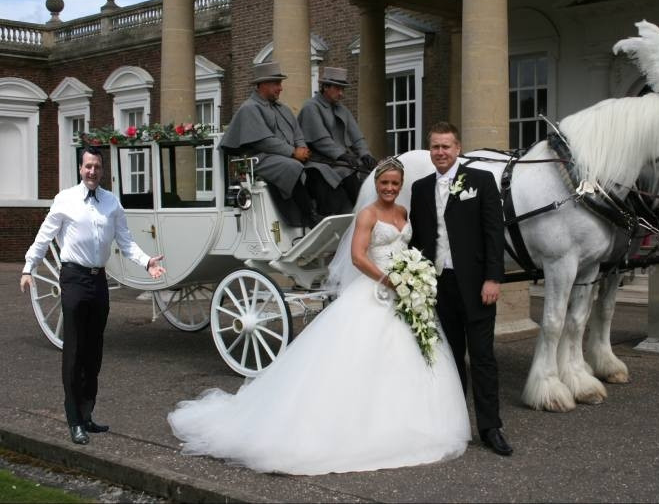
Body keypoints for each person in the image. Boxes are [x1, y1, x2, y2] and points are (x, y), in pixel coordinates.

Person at [168, 157, 470, 476]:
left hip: (404, 292)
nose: (390, 188)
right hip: (378, 289)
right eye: (385, 183)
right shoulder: (368, 215)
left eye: (396, 183)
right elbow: (357, 256)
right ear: (377, 184)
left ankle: (416, 421)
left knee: (416, 352)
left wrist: (411, 276)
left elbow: (407, 248)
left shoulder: (402, 213)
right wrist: (389, 279)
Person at [20, 147, 166, 445]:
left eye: (97, 167)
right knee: (74, 351)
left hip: (99, 280)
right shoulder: (65, 200)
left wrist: (147, 261)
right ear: (80, 168)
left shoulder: (112, 202)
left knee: (94, 351)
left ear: (102, 169)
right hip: (73, 278)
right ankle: (73, 420)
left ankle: (87, 414)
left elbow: (126, 242)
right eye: (88, 166)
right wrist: (28, 268)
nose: (92, 171)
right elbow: (44, 237)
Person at [409, 122, 511, 456]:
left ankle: (490, 427)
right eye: (435, 147)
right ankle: (453, 425)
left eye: (446, 146)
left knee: (482, 358)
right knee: (449, 360)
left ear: (458, 148)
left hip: (477, 285)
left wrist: (493, 278)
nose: (440, 152)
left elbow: (495, 234)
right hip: (439, 286)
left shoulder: (481, 181)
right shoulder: (421, 188)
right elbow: (419, 240)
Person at [219, 61, 345, 227]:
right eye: (276, 84)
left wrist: (302, 147)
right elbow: (264, 141)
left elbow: (297, 133)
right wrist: (293, 153)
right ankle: (309, 216)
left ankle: (327, 212)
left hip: (285, 156)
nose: (281, 88)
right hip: (260, 159)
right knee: (291, 166)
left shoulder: (283, 108)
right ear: (263, 85)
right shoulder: (249, 108)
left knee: (322, 169)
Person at [298, 66, 378, 208]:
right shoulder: (311, 107)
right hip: (319, 162)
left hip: (341, 162)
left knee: (366, 175)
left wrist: (366, 154)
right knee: (344, 177)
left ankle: (365, 212)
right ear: (325, 87)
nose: (341, 94)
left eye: (343, 89)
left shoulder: (342, 109)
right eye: (338, 89)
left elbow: (357, 137)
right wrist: (342, 156)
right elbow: (321, 141)